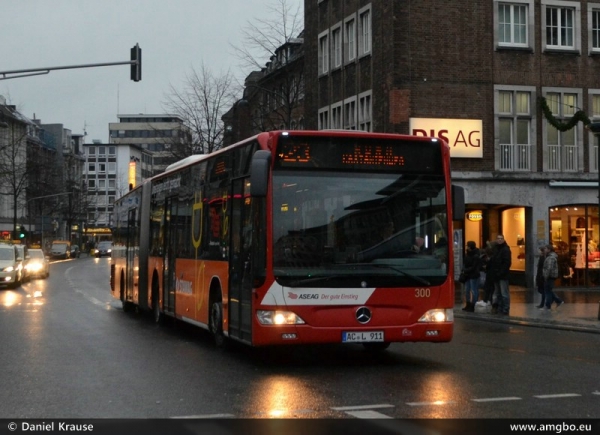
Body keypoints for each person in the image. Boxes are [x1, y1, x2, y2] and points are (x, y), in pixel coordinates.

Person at [488, 234, 511, 315]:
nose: (500, 240)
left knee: (504, 293)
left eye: (501, 238)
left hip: (503, 275)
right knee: (497, 292)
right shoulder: (496, 249)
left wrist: (500, 272)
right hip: (496, 275)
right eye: (498, 238)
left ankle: (505, 309)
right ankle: (499, 308)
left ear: (504, 240)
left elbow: (507, 263)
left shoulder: (505, 249)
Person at [541, 244, 565, 310]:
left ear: (549, 250)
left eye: (545, 248)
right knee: (549, 290)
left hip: (549, 276)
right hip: (550, 276)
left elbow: (549, 268)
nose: (544, 250)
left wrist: (545, 276)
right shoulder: (549, 257)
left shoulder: (550, 258)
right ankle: (558, 301)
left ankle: (548, 305)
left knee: (548, 291)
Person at [462, 241, 482, 312]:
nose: (466, 247)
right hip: (468, 275)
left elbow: (474, 266)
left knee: (473, 290)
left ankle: (473, 305)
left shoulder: (475, 255)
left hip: (473, 275)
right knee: (467, 290)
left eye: (467, 246)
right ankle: (468, 304)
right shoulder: (468, 254)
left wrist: (465, 270)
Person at [535, 244, 547, 308]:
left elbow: (541, 268)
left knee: (542, 290)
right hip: (540, 275)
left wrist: (541, 275)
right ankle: (543, 303)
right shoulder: (542, 257)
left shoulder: (542, 258)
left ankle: (543, 303)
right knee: (541, 290)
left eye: (539, 250)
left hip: (541, 276)